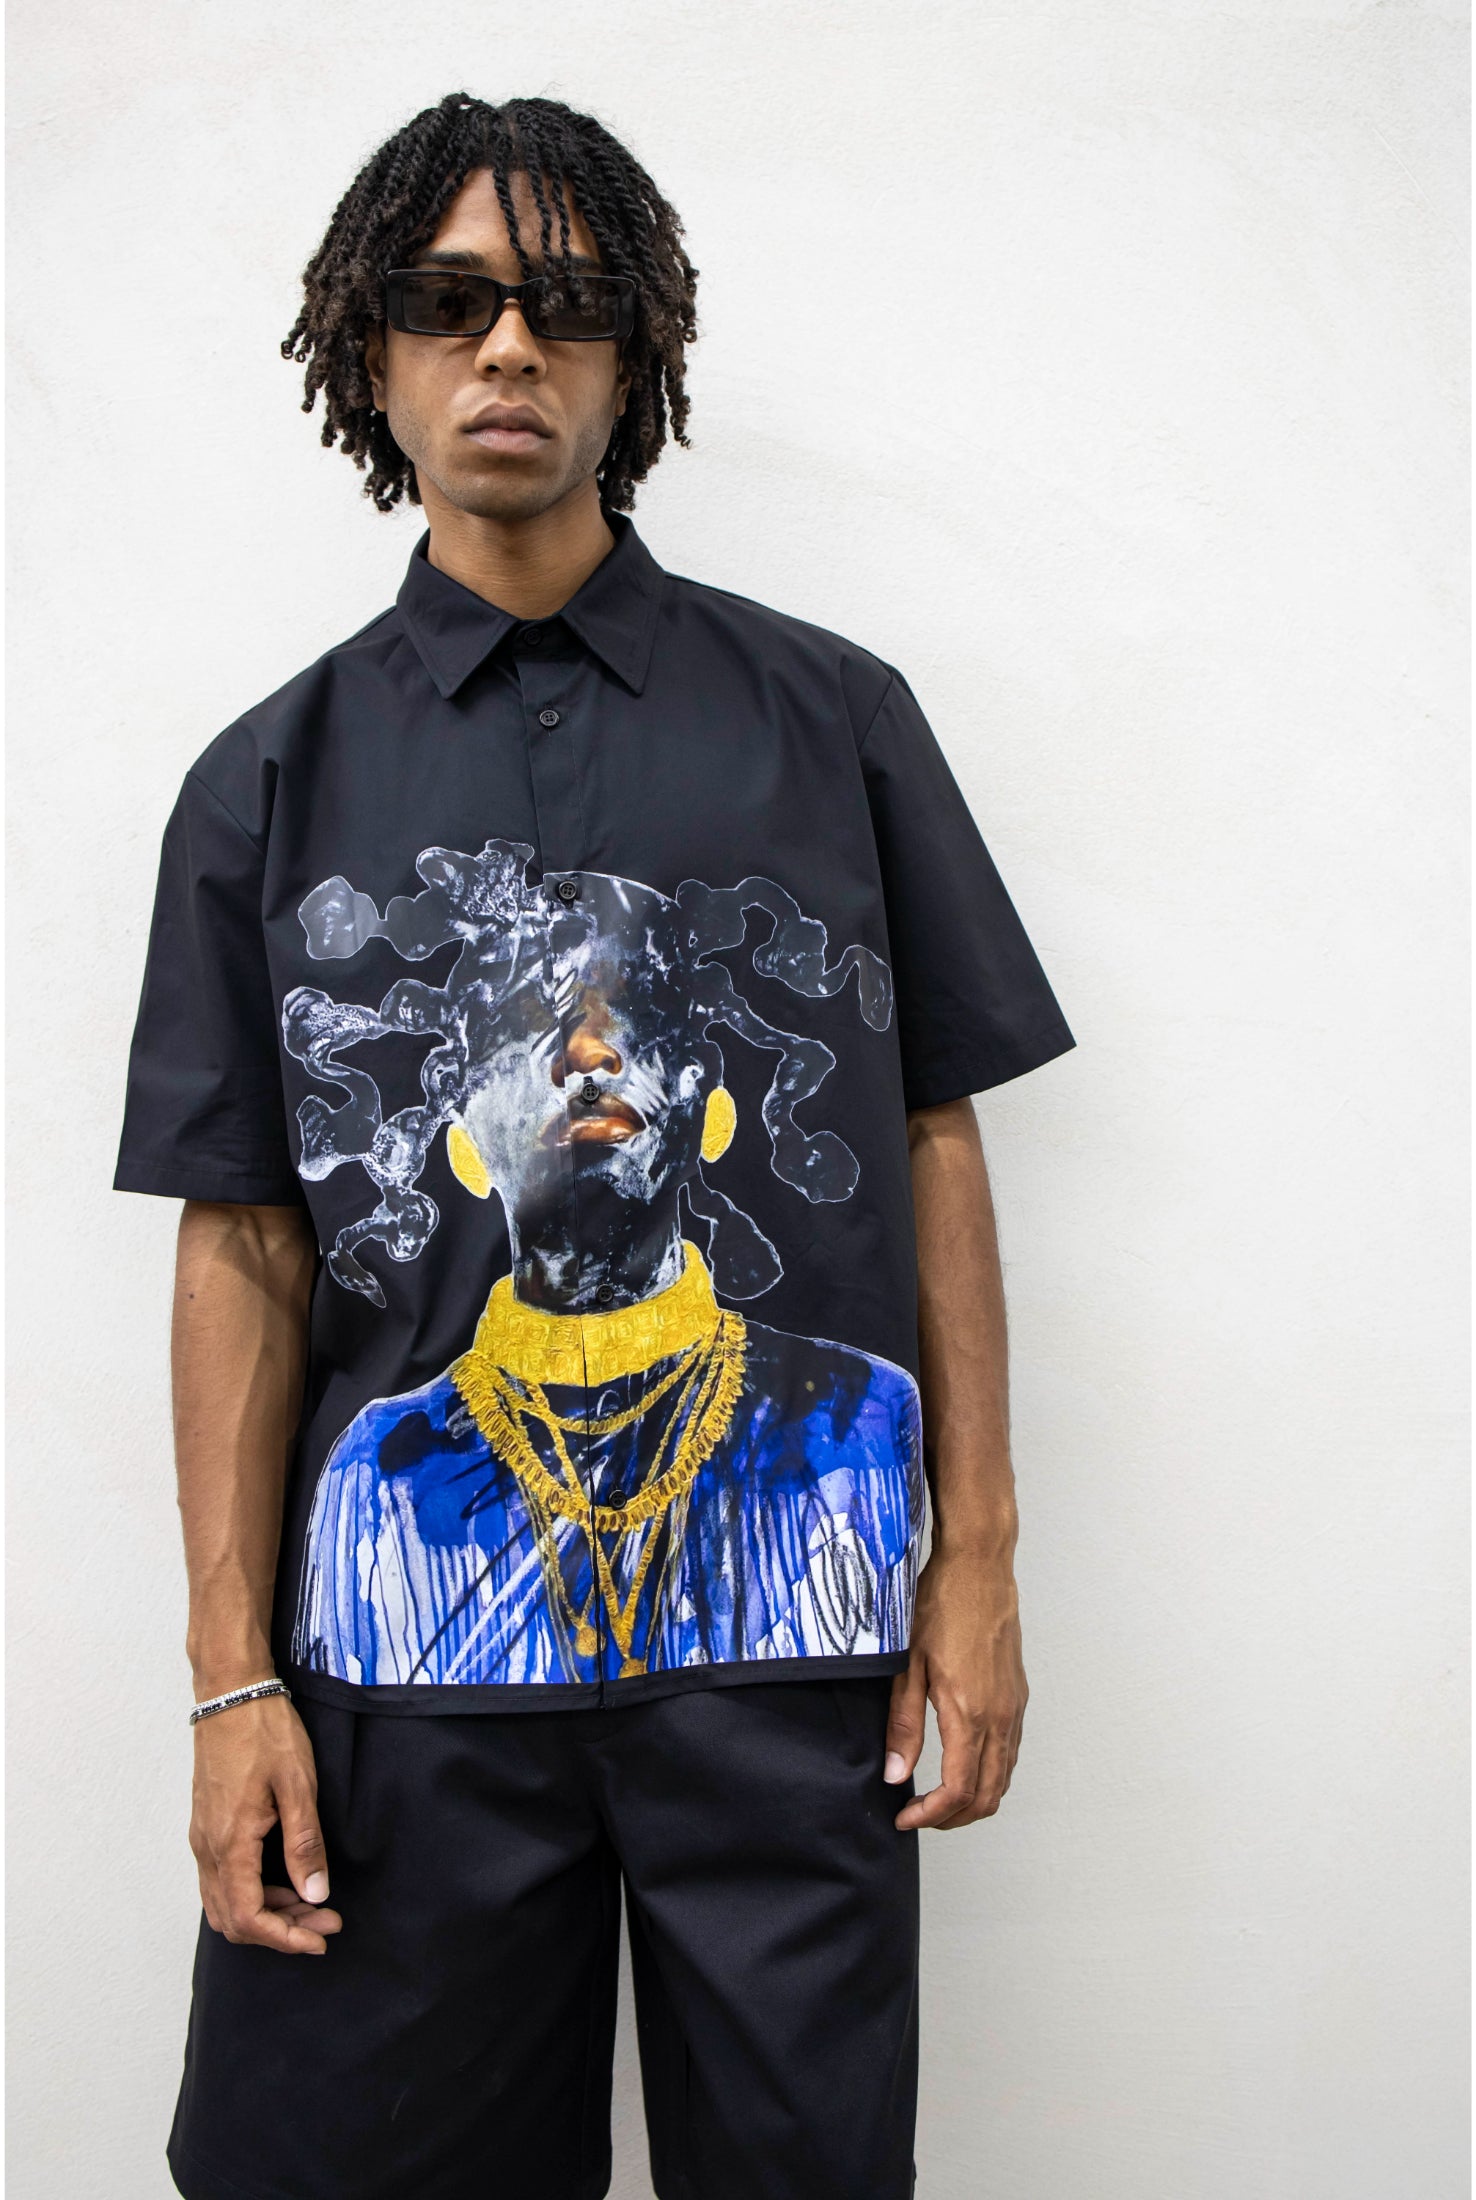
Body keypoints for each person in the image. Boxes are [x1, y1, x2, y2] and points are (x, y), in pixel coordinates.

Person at [115, 91, 1075, 2200]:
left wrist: (981, 1559)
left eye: (565, 305)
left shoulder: (834, 722)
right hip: (407, 1671)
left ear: (635, 358)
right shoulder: (264, 783)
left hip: (793, 1655)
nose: (507, 349)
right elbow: (241, 1239)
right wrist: (225, 1683)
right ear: (370, 351)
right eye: (448, 300)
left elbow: (933, 1134)